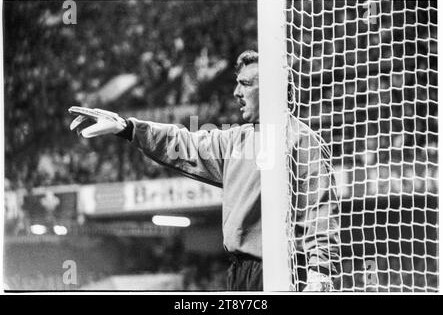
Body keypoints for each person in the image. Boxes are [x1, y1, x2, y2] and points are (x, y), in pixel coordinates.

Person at [69, 50, 340, 291]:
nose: (236, 93)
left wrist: (320, 273)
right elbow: (183, 142)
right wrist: (127, 128)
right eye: (237, 84)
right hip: (240, 273)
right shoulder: (236, 139)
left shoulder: (301, 140)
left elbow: (320, 209)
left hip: (283, 272)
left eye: (245, 84)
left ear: (272, 89)